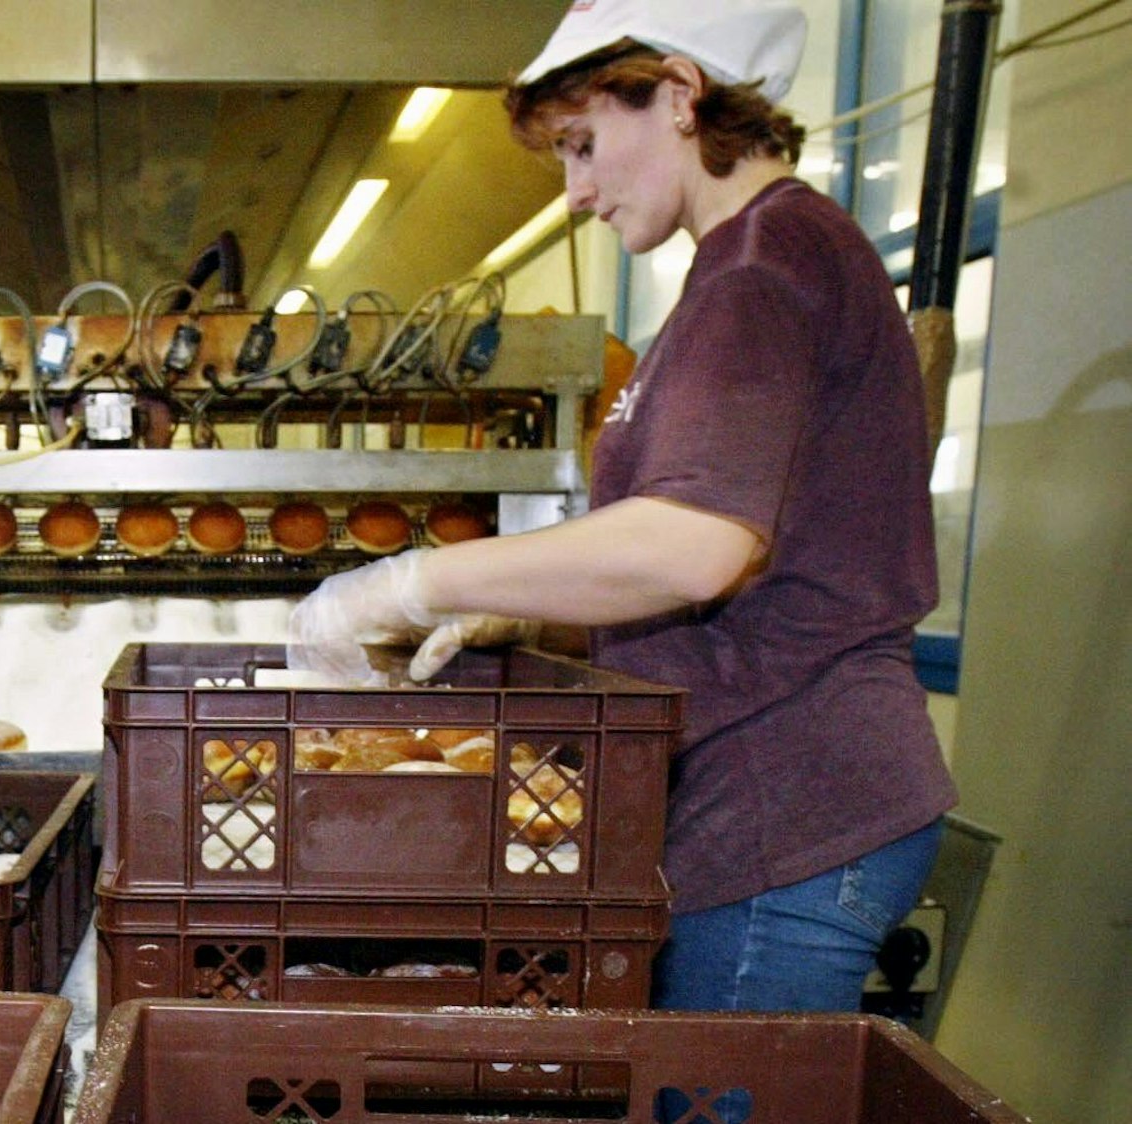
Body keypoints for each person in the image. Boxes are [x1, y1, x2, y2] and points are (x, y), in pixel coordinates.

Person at [288, 0, 958, 1012]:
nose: (575, 191)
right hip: (757, 799)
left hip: (788, 806)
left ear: (682, 95)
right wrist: (533, 610)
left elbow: (694, 547)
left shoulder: (762, 267)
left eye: (584, 144)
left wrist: (404, 582)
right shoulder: (749, 264)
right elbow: (746, 550)